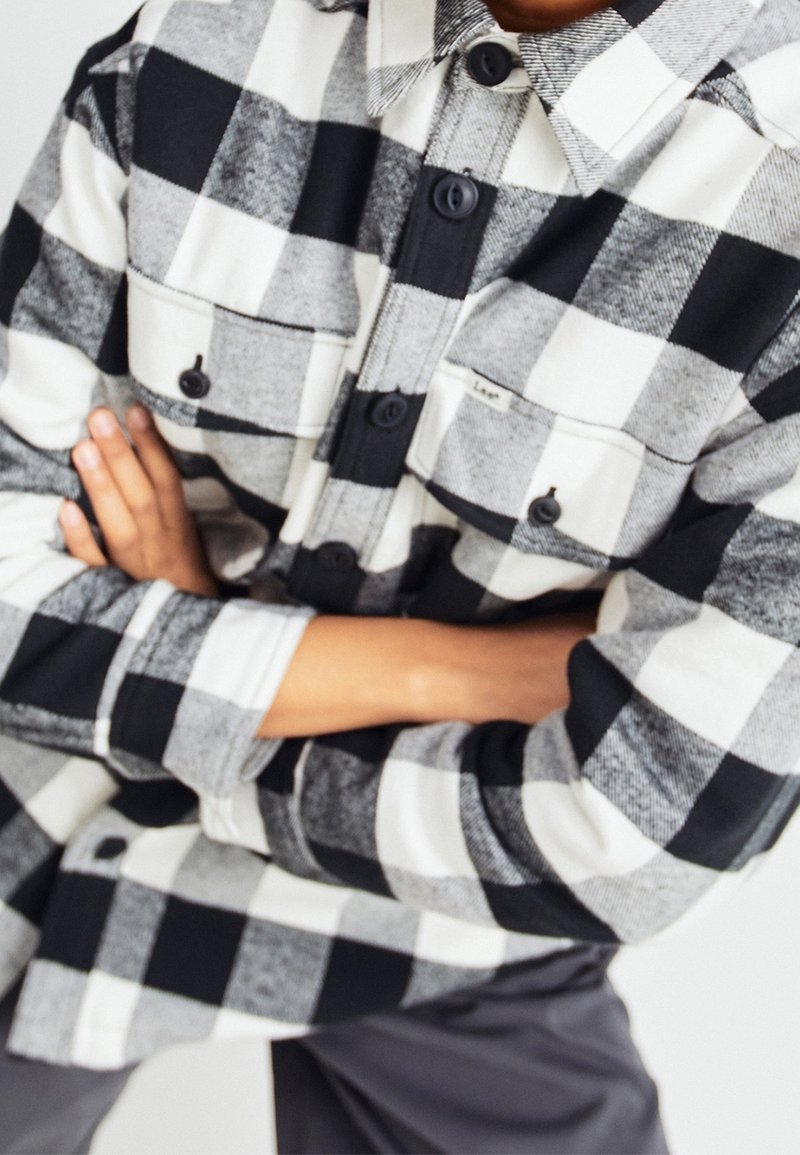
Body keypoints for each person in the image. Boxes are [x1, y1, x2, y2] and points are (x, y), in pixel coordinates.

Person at [0, 0, 798, 1151]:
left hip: (445, 926)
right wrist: (464, 672)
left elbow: (632, 829)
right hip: (49, 813)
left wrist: (186, 644)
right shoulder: (191, 43)